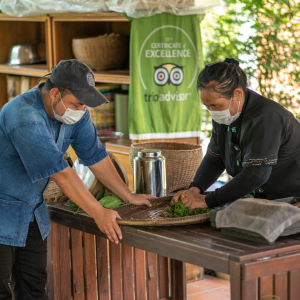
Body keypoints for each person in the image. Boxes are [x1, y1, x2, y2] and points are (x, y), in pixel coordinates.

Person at [0, 59, 154, 300]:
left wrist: (129, 195)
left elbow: (96, 156)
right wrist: (98, 211)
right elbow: (61, 173)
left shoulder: (74, 111)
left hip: (30, 211)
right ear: (54, 93)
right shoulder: (24, 116)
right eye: (78, 103)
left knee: (33, 288)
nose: (82, 110)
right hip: (2, 209)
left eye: (85, 105)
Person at [172, 58, 300, 209]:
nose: (213, 111)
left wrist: (207, 200)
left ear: (238, 94)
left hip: (292, 200)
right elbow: (215, 159)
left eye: (216, 105)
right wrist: (194, 189)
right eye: (207, 106)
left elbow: (256, 175)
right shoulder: (224, 114)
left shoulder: (267, 118)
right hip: (261, 199)